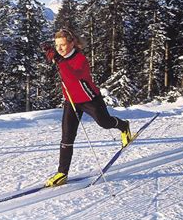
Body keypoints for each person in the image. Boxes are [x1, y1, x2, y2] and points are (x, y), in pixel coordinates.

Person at [41, 29, 132, 187]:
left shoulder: (80, 58)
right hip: (71, 100)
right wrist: (50, 53)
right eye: (57, 46)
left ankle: (124, 126)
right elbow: (55, 60)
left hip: (90, 99)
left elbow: (72, 76)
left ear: (72, 43)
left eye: (62, 45)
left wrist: (57, 60)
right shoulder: (60, 57)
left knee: (105, 123)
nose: (60, 49)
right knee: (67, 137)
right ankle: (62, 173)